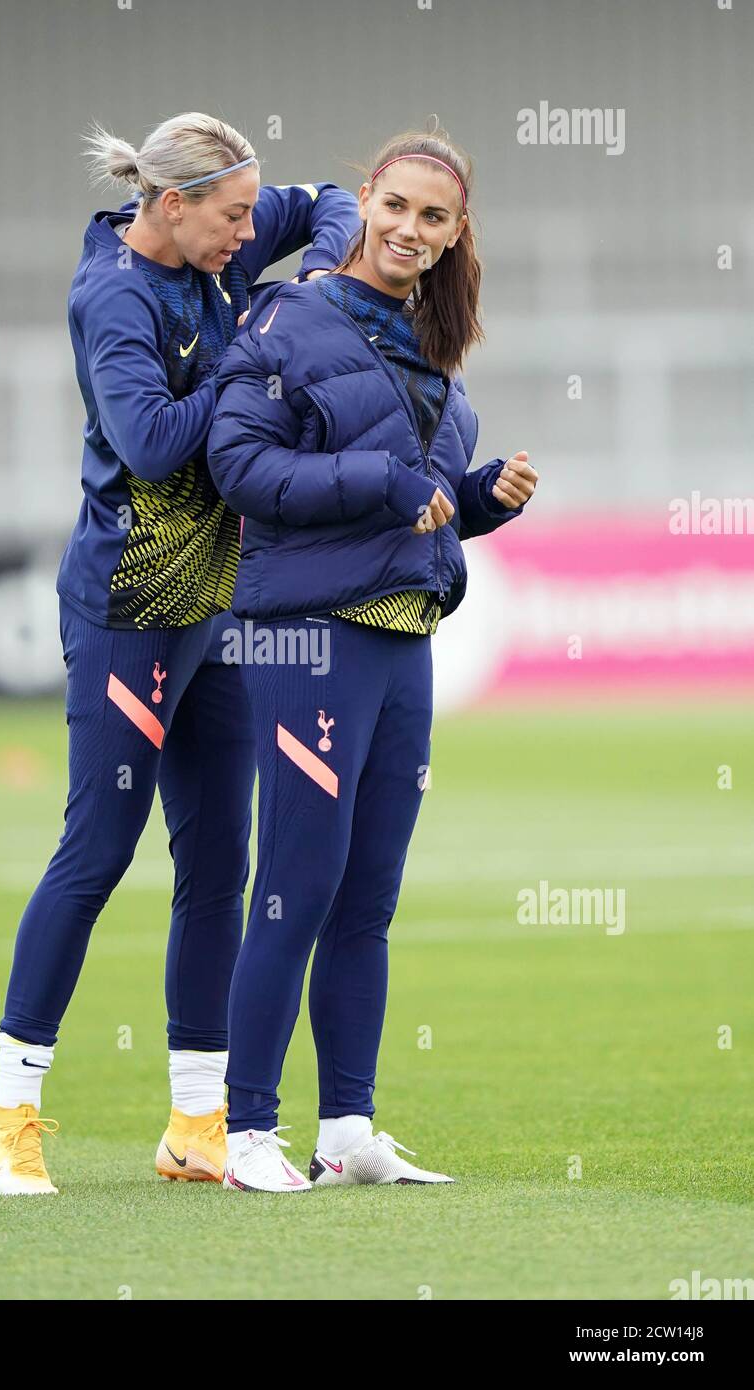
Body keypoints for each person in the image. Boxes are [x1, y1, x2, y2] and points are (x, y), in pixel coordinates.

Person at [0, 111, 361, 1194]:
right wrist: (258, 358)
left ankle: (196, 1118)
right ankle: (11, 1107)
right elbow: (147, 441)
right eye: (234, 217)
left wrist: (318, 270)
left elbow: (330, 197)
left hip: (220, 609)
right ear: (171, 204)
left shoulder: (226, 228)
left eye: (251, 214)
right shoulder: (112, 296)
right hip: (131, 608)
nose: (251, 233)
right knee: (97, 852)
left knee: (217, 866)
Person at [207, 121, 538, 1193]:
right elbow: (242, 470)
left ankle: (345, 1129)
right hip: (307, 640)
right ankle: (246, 1130)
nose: (407, 227)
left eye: (432, 217)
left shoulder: (438, 356)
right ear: (366, 200)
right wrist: (384, 482)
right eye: (393, 205)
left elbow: (419, 517)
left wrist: (478, 499)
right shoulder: (286, 316)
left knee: (367, 898)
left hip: (402, 648)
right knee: (293, 886)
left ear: (452, 236)